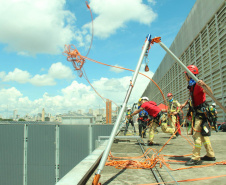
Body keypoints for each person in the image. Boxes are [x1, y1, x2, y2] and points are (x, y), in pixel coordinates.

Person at [180, 65, 216, 166]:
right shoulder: (192, 85)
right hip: (198, 113)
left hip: (201, 113)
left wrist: (204, 85)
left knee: (196, 135)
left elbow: (210, 93)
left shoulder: (198, 84)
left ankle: (195, 157)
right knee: (204, 136)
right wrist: (185, 104)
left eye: (185, 75)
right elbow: (192, 97)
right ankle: (210, 154)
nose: (185, 77)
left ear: (189, 75)